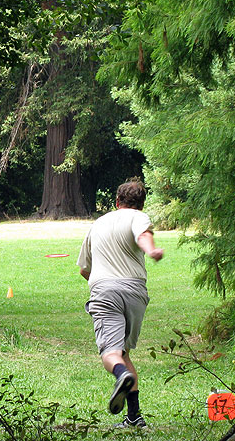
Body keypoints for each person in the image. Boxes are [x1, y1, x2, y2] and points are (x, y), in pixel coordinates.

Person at [77, 179, 163, 429]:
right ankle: (134, 417)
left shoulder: (98, 223)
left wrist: (101, 285)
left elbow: (84, 269)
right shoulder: (139, 216)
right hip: (135, 291)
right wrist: (152, 251)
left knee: (111, 354)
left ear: (117, 202)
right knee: (124, 353)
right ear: (141, 203)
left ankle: (120, 375)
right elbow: (143, 235)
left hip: (105, 290)